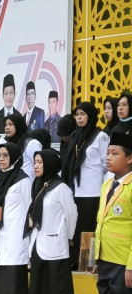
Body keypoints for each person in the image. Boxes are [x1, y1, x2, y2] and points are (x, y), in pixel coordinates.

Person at [85, 132, 132, 294]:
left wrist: (131, 265)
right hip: (105, 260)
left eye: (115, 154)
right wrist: (95, 258)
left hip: (124, 262)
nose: (109, 158)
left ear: (130, 158)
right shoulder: (106, 185)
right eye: (108, 153)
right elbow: (100, 224)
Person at [25, 149, 77, 294]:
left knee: (56, 283)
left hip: (56, 241)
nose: (36, 166)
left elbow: (71, 214)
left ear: (50, 164)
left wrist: (68, 236)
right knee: (39, 282)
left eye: (40, 162)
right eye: (35, 162)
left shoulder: (60, 187)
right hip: (39, 241)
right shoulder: (38, 184)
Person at [62, 102, 109, 270]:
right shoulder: (75, 135)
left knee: (89, 226)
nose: (79, 117)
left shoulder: (100, 136)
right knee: (77, 225)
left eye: (83, 114)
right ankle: (75, 261)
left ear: (90, 116)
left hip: (93, 190)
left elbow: (106, 165)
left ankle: (90, 263)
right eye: (77, 114)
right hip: (77, 189)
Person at [0, 143, 31, 294]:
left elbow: (31, 208)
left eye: (5, 155)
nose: (1, 159)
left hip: (15, 235)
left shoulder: (23, 180)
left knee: (14, 276)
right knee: (0, 276)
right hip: (0, 233)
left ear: (14, 157)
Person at [3, 114, 42, 181]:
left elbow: (41, 165)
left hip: (28, 185)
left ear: (18, 125)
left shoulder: (30, 143)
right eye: (5, 125)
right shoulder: (6, 143)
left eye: (10, 124)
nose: (7, 127)